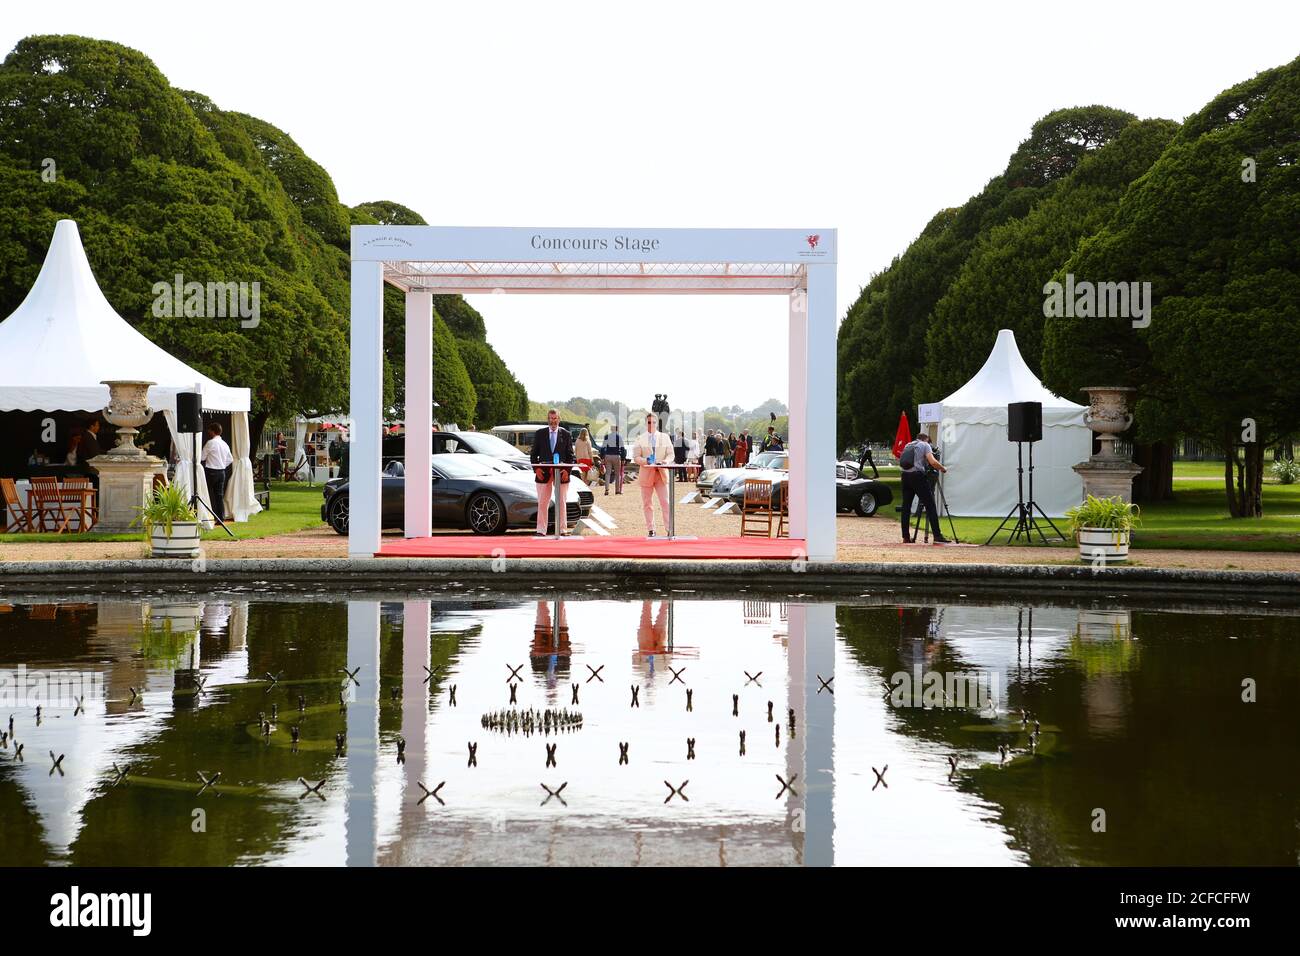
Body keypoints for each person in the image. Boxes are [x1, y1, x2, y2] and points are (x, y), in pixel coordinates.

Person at [530, 409, 575, 536]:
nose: (553, 421)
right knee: (543, 502)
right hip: (543, 474)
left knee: (561, 502)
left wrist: (567, 471)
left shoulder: (566, 434)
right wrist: (536, 469)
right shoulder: (540, 434)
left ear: (559, 419)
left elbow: (570, 456)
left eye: (555, 418)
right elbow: (533, 455)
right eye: (550, 418)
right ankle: (541, 530)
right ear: (548, 419)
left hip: (561, 474)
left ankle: (562, 530)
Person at [900, 431, 949, 544]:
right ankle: (937, 535)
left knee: (906, 507)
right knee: (930, 505)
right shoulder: (925, 445)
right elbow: (932, 461)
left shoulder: (909, 445)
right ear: (926, 439)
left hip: (905, 476)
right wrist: (942, 468)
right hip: (917, 476)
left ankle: (906, 536)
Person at [632, 412, 675, 537]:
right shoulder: (640, 438)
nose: (651, 424)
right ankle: (651, 529)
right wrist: (646, 461)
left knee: (665, 502)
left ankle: (669, 528)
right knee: (647, 503)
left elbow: (671, 454)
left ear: (657, 423)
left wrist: (665, 462)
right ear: (646, 423)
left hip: (661, 473)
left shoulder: (665, 437)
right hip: (646, 474)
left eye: (654, 422)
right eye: (649, 422)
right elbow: (635, 457)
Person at [201, 422, 234, 520]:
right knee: (219, 496)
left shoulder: (210, 443)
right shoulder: (225, 444)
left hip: (211, 471)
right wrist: (222, 465)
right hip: (221, 472)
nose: (208, 432)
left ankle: (205, 515)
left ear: (212, 431)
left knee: (204, 493)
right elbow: (230, 459)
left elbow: (202, 457)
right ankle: (221, 517)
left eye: (209, 430)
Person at [600, 424, 625, 496]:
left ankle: (606, 489)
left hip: (608, 456)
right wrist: (623, 458)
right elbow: (622, 449)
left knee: (607, 473)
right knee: (617, 474)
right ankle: (617, 490)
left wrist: (602, 457)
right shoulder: (619, 437)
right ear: (616, 430)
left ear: (611, 429)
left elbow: (602, 448)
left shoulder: (606, 436)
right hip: (616, 456)